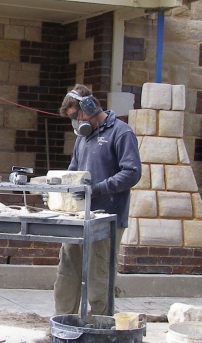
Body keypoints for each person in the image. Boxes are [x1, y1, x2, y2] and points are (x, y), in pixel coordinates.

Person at [53, 84, 142, 319]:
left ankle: (100, 325)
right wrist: (59, 192)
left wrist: (97, 189)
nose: (74, 122)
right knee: (67, 272)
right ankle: (64, 321)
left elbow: (131, 173)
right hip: (79, 218)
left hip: (107, 218)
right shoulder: (83, 138)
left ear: (89, 107)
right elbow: (73, 171)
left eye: (75, 116)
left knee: (98, 277)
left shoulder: (121, 133)